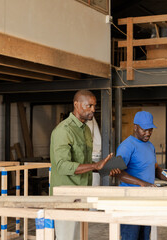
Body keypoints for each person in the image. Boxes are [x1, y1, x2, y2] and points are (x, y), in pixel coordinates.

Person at [50, 90, 120, 240]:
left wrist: (103, 168)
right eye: (89, 106)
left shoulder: (86, 130)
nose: (93, 110)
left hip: (82, 195)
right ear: (76, 105)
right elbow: (62, 166)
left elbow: (84, 164)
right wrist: (95, 166)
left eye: (94, 106)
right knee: (67, 237)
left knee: (80, 237)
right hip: (65, 198)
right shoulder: (63, 130)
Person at [115, 111, 167, 240]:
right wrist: (142, 183)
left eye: (150, 130)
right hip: (130, 201)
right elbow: (118, 172)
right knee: (130, 236)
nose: (148, 133)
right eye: (144, 129)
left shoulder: (150, 146)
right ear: (135, 127)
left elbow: (156, 169)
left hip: (147, 199)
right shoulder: (127, 146)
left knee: (144, 236)